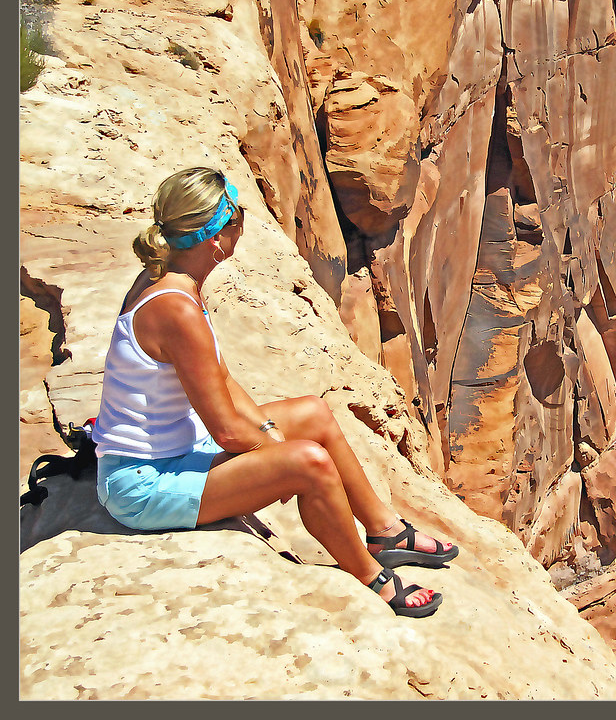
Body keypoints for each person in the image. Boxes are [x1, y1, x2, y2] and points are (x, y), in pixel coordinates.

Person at [92, 167, 457, 618]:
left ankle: (386, 531)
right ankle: (372, 577)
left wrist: (270, 437)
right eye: (238, 216)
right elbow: (226, 430)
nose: (243, 223)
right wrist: (278, 455)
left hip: (175, 453)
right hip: (142, 486)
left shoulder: (171, 279)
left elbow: (223, 381)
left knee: (314, 414)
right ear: (218, 238)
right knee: (308, 462)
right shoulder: (175, 309)